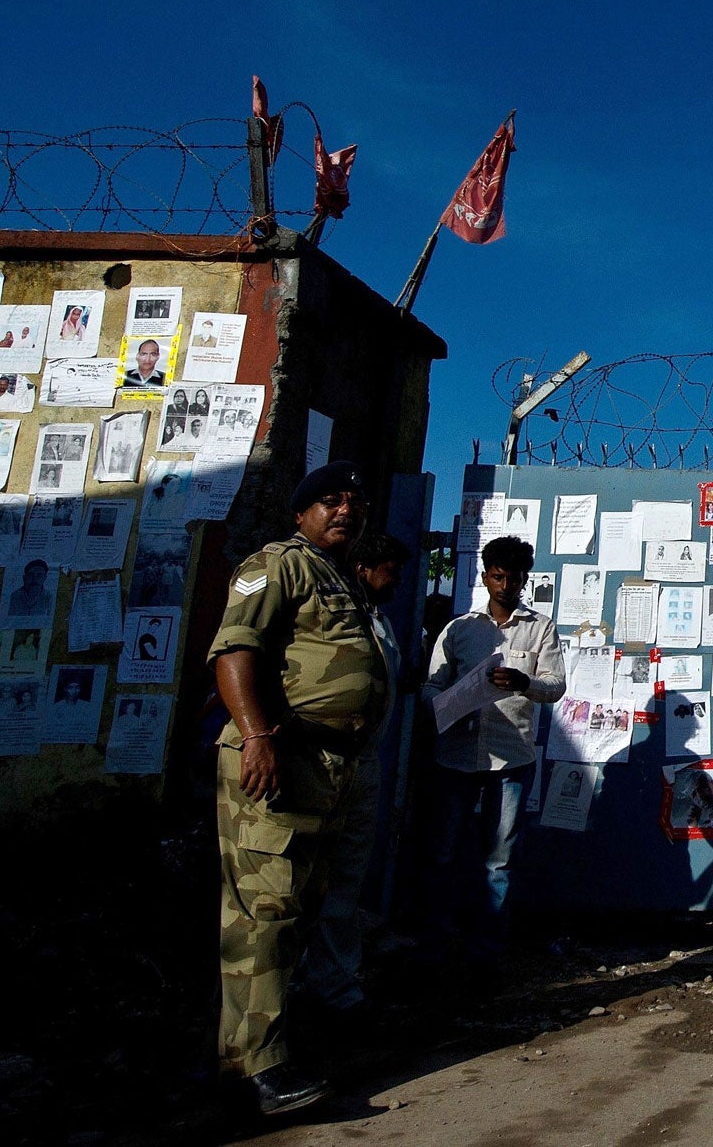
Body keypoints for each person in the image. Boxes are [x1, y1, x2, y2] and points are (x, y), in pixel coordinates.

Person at [207, 460, 386, 1117]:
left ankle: (275, 1043)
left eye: (354, 501)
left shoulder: (340, 577)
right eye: (330, 500)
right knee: (265, 913)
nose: (345, 509)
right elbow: (236, 651)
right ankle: (253, 1071)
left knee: (301, 908)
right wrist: (256, 735)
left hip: (330, 767)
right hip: (282, 755)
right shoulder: (276, 563)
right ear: (301, 512)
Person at [421, 534, 565, 989]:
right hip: (457, 754)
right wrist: (443, 704)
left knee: (499, 861)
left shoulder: (539, 628)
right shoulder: (459, 629)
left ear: (525, 580)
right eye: (497, 576)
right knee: (442, 853)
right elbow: (431, 683)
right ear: (484, 576)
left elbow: (555, 685)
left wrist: (524, 681)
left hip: (511, 757)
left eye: (514, 578)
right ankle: (436, 949)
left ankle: (487, 956)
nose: (505, 585)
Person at [298, 533, 409, 1017]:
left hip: (363, 763)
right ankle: (287, 984)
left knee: (345, 878)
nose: (399, 582)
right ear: (364, 569)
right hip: (320, 761)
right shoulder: (332, 617)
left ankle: (336, 985)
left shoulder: (379, 621)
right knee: (303, 875)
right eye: (391, 571)